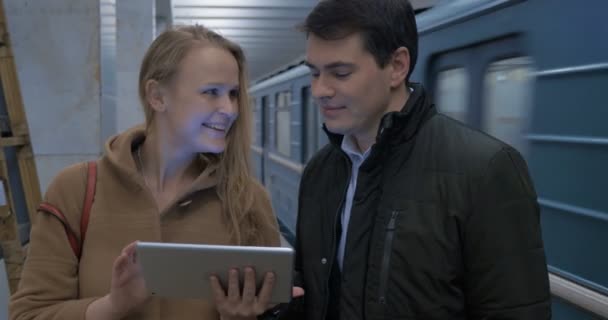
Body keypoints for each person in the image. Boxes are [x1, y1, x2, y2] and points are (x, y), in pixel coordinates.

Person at [284, 0, 552, 319]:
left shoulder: (485, 169)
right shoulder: (320, 172)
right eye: (314, 74)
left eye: (340, 73)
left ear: (397, 66)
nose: (320, 90)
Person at [10, 25, 283, 320]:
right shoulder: (77, 189)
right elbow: (28, 314)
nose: (229, 109)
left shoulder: (249, 201)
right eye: (211, 92)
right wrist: (111, 307)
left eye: (232, 94)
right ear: (156, 96)